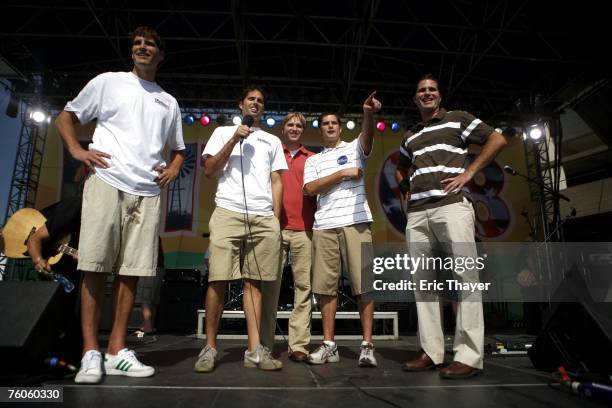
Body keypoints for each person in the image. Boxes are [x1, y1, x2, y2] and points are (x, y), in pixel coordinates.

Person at [55, 26, 185, 384]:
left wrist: (173, 168)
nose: (142, 47)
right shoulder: (108, 81)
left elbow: (179, 149)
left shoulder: (167, 101)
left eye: (150, 44)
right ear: (132, 52)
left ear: (161, 55)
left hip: (147, 191)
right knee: (95, 266)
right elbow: (66, 116)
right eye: (137, 44)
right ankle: (89, 353)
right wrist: (77, 150)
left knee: (131, 270)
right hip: (107, 181)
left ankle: (115, 350)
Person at [395, 74, 507, 379]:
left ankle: (469, 355)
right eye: (421, 90)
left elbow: (497, 139)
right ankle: (431, 352)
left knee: (465, 279)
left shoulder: (458, 119)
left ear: (439, 96)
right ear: (415, 98)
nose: (427, 93)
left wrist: (470, 171)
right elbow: (401, 167)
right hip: (418, 215)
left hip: (452, 208)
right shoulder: (410, 135)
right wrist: (406, 191)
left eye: (432, 89)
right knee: (424, 285)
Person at [195, 86, 287, 372]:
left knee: (254, 282)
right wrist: (234, 138)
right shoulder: (223, 132)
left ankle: (254, 350)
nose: (256, 104)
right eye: (251, 99)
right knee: (218, 280)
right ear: (241, 105)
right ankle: (210, 347)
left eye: (261, 101)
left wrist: (275, 218)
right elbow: (210, 169)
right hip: (227, 212)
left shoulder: (272, 141)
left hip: (262, 218)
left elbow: (276, 181)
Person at [303, 92, 381, 367]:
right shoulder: (312, 161)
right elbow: (310, 189)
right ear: (321, 129)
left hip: (356, 223)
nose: (331, 126)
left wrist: (368, 114)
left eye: (335, 122)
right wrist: (342, 174)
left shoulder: (355, 148)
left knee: (364, 286)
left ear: (340, 126)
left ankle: (367, 346)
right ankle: (329, 346)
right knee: (326, 289)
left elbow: (368, 137)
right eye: (325, 123)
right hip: (324, 227)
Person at [260, 113, 317, 362]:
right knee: (269, 286)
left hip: (305, 229)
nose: (294, 128)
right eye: (290, 125)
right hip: (275, 228)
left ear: (302, 131)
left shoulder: (313, 159)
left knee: (303, 288)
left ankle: (299, 346)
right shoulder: (272, 152)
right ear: (283, 129)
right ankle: (263, 344)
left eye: (299, 126)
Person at [27, 196, 83, 366]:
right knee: (53, 316)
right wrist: (38, 259)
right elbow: (33, 238)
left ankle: (69, 359)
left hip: (72, 271)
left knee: (71, 317)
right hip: (53, 269)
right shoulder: (76, 206)